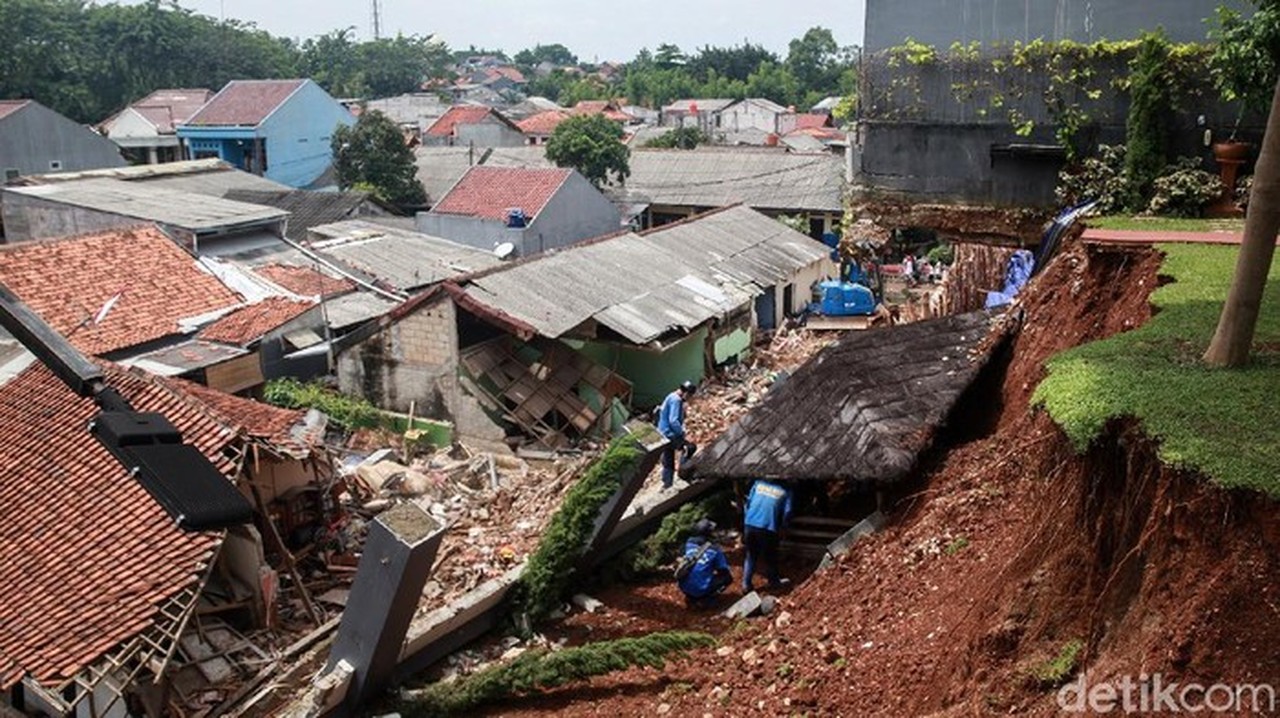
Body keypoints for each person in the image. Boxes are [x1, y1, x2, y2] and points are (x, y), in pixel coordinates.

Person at [742, 478, 793, 593]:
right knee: (770, 556)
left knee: (751, 555)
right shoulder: (786, 491)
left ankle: (746, 583)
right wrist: (784, 526)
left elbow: (748, 503)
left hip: (749, 523)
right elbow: (788, 511)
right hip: (767, 526)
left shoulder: (758, 484)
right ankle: (774, 582)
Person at [676, 518, 732, 605]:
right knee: (727, 578)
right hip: (701, 588)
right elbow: (723, 570)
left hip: (683, 587)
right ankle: (705, 599)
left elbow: (680, 557)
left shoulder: (688, 543)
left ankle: (690, 597)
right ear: (708, 534)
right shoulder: (714, 550)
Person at [656, 380, 696, 489]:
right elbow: (673, 420)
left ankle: (667, 483)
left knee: (668, 457)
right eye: (690, 396)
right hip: (670, 434)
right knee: (689, 448)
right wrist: (682, 433)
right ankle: (684, 473)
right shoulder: (676, 400)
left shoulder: (671, 396)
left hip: (662, 433)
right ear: (686, 393)